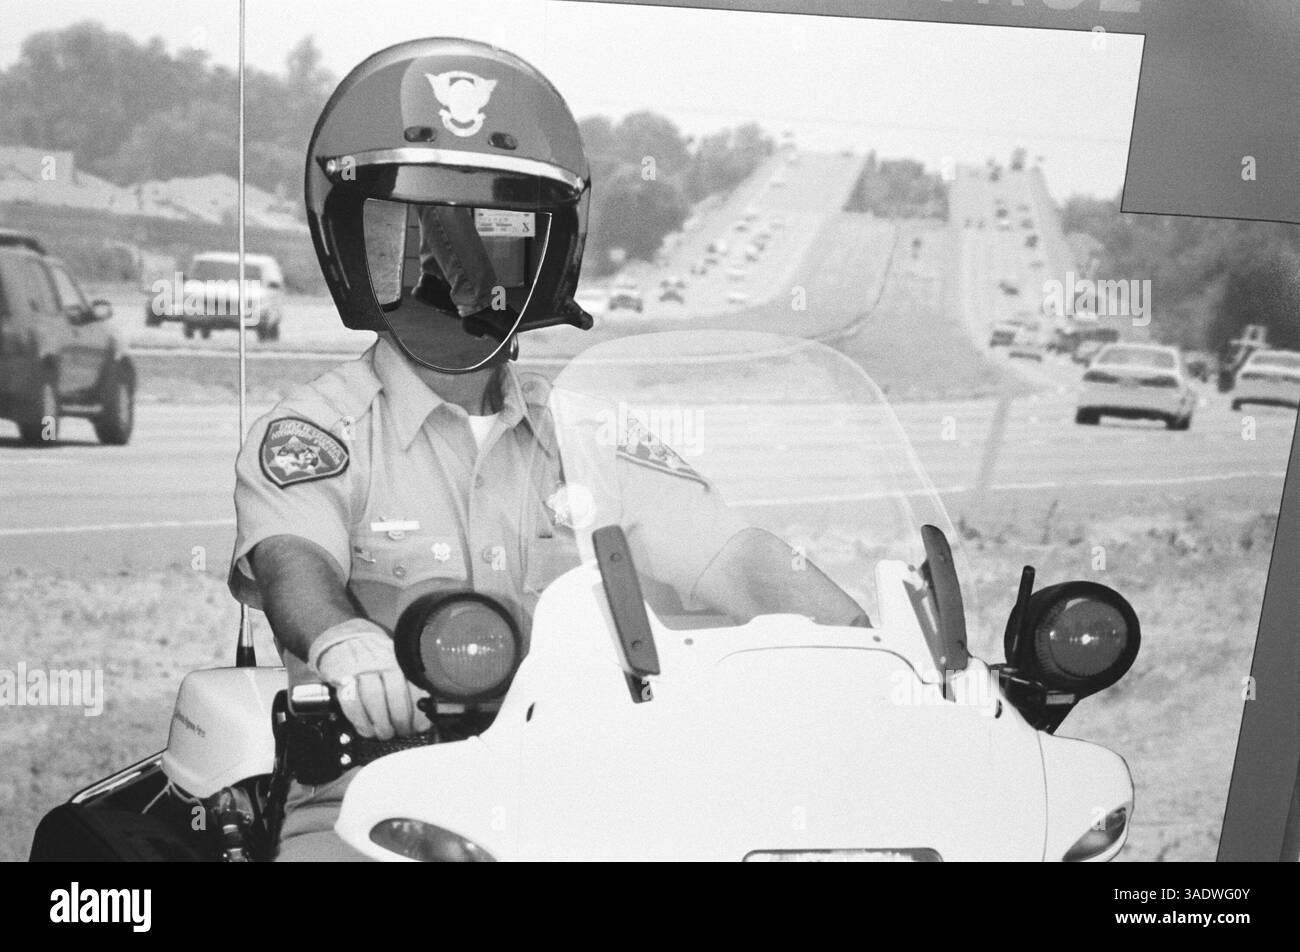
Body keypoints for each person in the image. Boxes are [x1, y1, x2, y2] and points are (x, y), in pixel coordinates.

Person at [230, 37, 866, 861]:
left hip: (584, 785)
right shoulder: (317, 435)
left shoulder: (591, 439)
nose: (455, 275)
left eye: (497, 235)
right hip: (374, 789)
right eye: (415, 235)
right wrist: (343, 643)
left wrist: (857, 641)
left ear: (549, 251)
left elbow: (730, 554)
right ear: (358, 245)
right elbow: (292, 564)